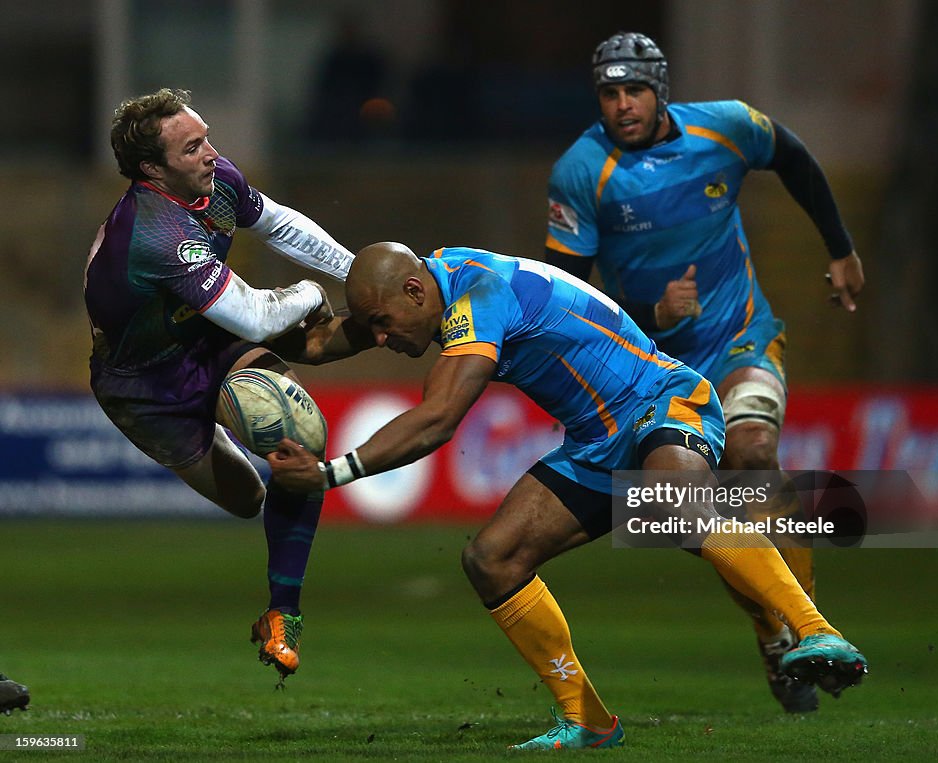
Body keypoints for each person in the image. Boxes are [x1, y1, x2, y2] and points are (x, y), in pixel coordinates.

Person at [266, 242, 868, 750]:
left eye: (384, 325)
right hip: (596, 441)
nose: (379, 338)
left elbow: (440, 418)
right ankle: (588, 720)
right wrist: (232, 332)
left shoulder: (480, 299)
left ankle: (812, 630)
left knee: (676, 501)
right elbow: (325, 342)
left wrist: (327, 474)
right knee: (491, 560)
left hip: (660, 398)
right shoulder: (427, 285)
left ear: (415, 296)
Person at [543, 31, 866, 713]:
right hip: (654, 372)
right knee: (699, 514)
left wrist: (840, 248)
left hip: (739, 339)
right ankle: (771, 630)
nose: (623, 105)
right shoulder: (580, 171)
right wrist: (650, 311)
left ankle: (807, 625)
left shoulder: (725, 126)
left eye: (634, 89)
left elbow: (794, 156)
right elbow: (567, 296)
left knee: (754, 454)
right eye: (610, 92)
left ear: (660, 89)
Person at [84, 88, 366, 683]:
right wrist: (313, 292)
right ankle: (386, 324)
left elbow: (280, 225)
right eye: (193, 147)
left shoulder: (209, 179)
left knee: (298, 438)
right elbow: (260, 315)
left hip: (209, 341)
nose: (212, 153)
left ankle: (282, 615)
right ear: (151, 169)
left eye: (207, 137)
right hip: (143, 386)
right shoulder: (156, 233)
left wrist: (357, 275)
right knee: (248, 499)